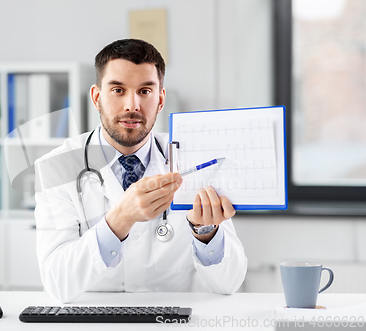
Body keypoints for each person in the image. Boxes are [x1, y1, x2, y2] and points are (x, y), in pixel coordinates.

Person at [34, 39, 247, 303]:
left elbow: (229, 284)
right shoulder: (56, 168)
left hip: (171, 319)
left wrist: (207, 233)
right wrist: (120, 219)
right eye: (118, 90)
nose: (132, 105)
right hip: (92, 320)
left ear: (160, 99)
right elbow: (57, 283)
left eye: (145, 91)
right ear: (97, 97)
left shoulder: (197, 161)